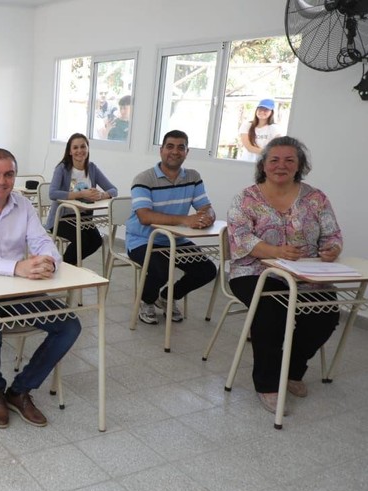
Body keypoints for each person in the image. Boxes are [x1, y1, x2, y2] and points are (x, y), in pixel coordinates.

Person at [0, 148, 81, 428]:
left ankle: (20, 391)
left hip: (17, 289)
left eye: (9, 174)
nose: (2, 181)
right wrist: (15, 267)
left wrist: (49, 261)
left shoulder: (23, 205)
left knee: (69, 326)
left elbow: (42, 241)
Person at [227, 136, 341, 414]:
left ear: (299, 165)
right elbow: (241, 239)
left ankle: (292, 370)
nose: (282, 165)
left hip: (305, 274)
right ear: (263, 165)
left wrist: (332, 249)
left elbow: (332, 235)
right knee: (270, 310)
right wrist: (275, 251)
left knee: (326, 313)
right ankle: (267, 383)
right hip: (254, 271)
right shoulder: (246, 198)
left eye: (289, 160)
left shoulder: (316, 198)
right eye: (274, 160)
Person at [126, 130, 218, 325]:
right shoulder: (144, 179)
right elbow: (144, 216)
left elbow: (206, 207)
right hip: (143, 240)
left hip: (176, 240)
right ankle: (147, 301)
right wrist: (186, 220)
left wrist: (208, 217)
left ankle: (168, 297)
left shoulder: (193, 177)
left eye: (180, 147)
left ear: (187, 152)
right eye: (170, 147)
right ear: (161, 150)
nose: (175, 152)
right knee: (161, 269)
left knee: (207, 270)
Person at [47, 133, 118, 264]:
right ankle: (63, 267)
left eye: (83, 147)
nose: (79, 150)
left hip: (83, 218)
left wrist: (101, 195)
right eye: (75, 147)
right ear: (70, 151)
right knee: (83, 241)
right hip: (61, 219)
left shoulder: (92, 168)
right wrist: (81, 194)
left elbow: (113, 190)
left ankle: (67, 265)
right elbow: (53, 193)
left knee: (96, 241)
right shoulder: (62, 168)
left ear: (88, 148)